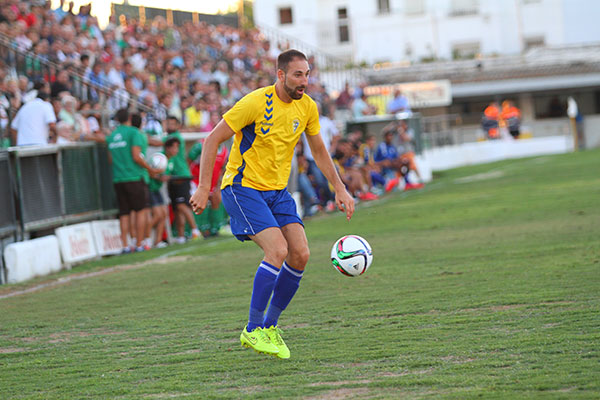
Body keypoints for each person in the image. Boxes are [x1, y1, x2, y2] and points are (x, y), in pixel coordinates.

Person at [189, 49, 355, 359]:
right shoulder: (254, 102)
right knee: (277, 250)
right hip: (242, 187)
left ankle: (269, 327)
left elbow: (319, 151)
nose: (304, 81)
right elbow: (212, 139)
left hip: (277, 193)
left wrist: (340, 188)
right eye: (297, 75)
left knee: (301, 254)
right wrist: (203, 187)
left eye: (306, 74)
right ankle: (252, 330)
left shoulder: (307, 107)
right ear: (280, 75)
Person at [106, 108, 158, 254]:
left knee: (124, 213)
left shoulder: (112, 136)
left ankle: (125, 245)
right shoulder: (133, 132)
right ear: (129, 118)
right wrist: (150, 169)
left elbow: (110, 159)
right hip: (134, 177)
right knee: (140, 211)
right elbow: (136, 156)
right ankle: (139, 243)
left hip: (118, 178)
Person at [150, 115, 201, 243]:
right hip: (174, 177)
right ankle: (181, 236)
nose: (170, 126)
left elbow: (156, 142)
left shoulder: (174, 138)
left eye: (173, 124)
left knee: (182, 205)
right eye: (168, 123)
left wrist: (142, 136)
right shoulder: (170, 143)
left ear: (177, 126)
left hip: (180, 176)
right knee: (178, 207)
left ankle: (195, 230)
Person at [10, 81, 56, 146]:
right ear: (47, 99)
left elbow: (13, 128)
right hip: (39, 145)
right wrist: (56, 139)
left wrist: (17, 143)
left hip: (22, 146)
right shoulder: (46, 105)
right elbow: (52, 125)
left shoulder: (24, 107)